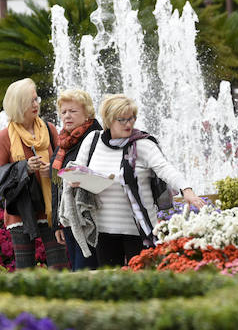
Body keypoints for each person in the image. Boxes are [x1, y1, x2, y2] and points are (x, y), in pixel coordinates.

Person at [72, 94, 206, 267]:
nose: (129, 124)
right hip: (103, 230)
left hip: (139, 231)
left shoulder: (143, 144)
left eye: (132, 118)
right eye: (122, 120)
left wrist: (187, 190)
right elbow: (77, 167)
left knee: (144, 281)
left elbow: (166, 169)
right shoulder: (92, 141)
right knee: (113, 286)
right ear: (109, 120)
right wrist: (75, 179)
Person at [0, 78, 68, 271]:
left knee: (60, 269)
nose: (36, 105)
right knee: (26, 272)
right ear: (18, 105)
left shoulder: (49, 130)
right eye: (30, 101)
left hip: (50, 210)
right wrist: (24, 168)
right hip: (21, 213)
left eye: (36, 99)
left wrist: (50, 170)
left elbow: (64, 163)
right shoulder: (4, 137)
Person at [53, 88, 103, 271]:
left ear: (87, 113)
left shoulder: (96, 137)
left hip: (89, 217)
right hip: (69, 219)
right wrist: (57, 224)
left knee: (86, 271)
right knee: (77, 270)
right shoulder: (63, 143)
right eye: (64, 112)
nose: (67, 116)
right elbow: (56, 186)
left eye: (73, 111)